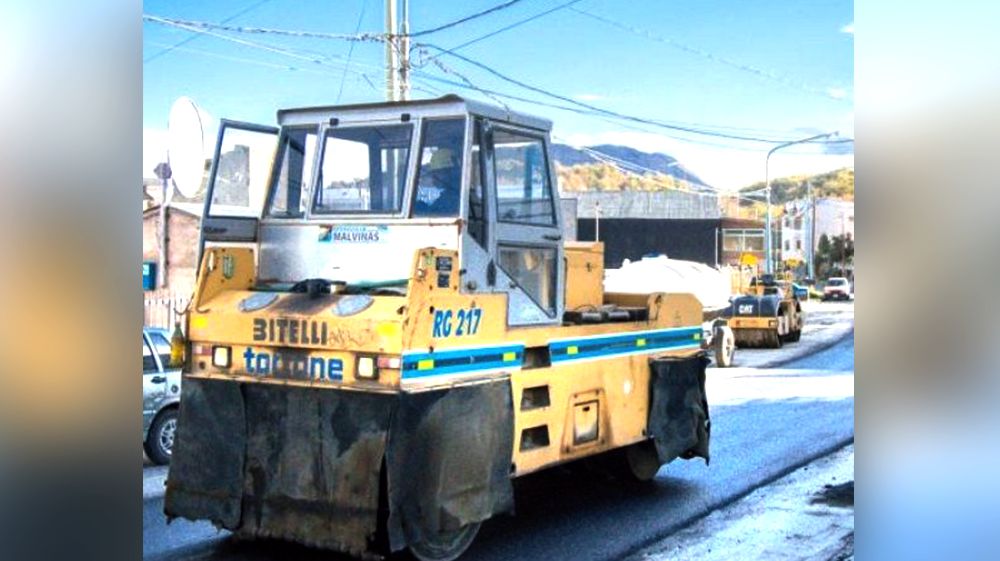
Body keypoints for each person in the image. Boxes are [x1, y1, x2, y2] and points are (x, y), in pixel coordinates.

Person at [413, 148, 461, 217]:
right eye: (433, 173)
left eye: (438, 172)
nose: (434, 177)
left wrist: (418, 207)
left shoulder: (452, 198)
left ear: (449, 172)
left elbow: (435, 214)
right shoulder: (451, 194)